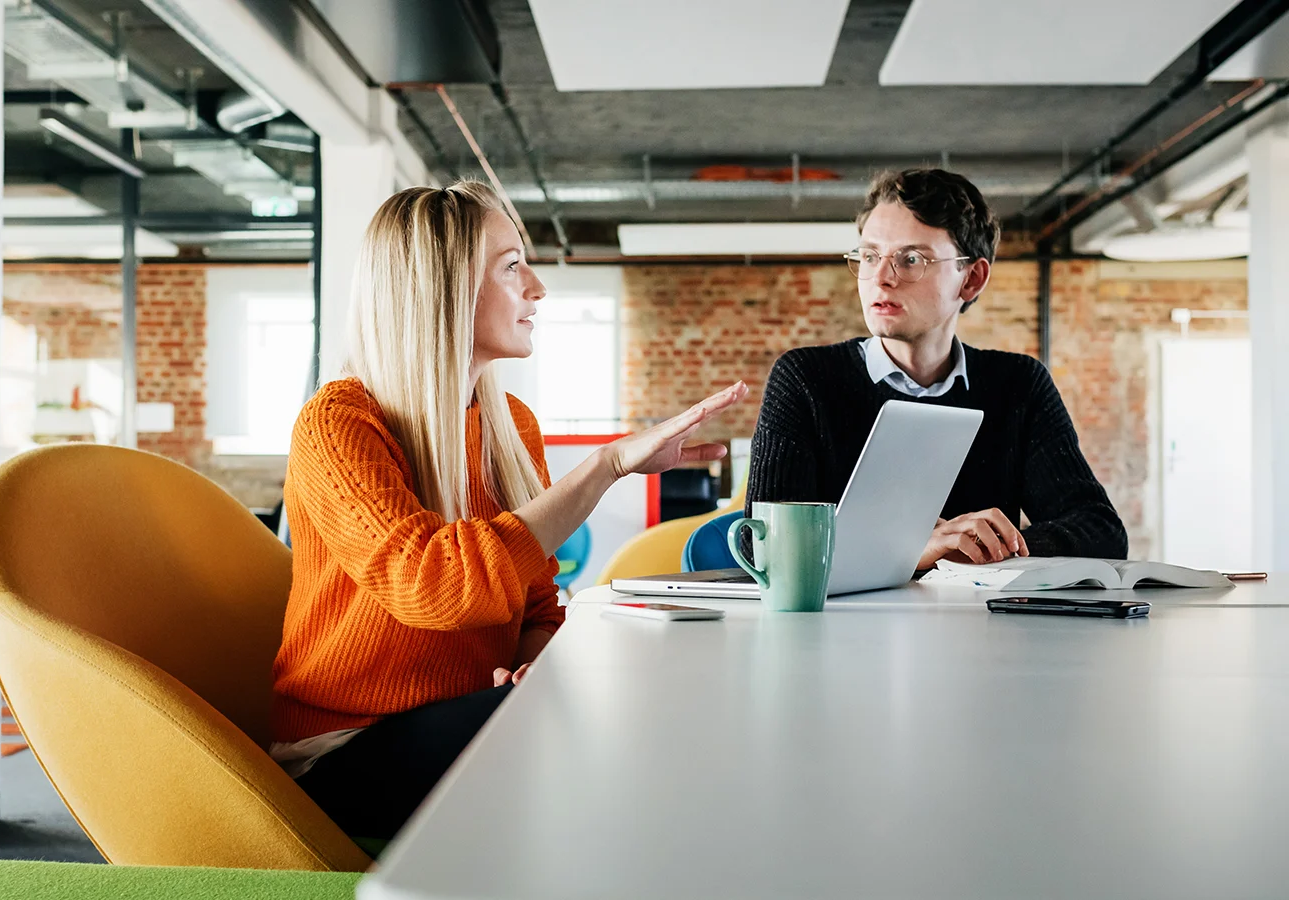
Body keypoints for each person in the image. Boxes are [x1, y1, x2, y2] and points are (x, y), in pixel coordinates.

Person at [272, 180, 748, 840]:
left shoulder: (509, 425)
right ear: (441, 289)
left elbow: (537, 605)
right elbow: (434, 587)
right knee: (612, 734)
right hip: (346, 750)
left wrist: (534, 658)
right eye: (512, 266)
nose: (537, 290)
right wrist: (606, 466)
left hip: (470, 711)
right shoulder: (337, 425)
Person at [746, 168, 1127, 569]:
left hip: (981, 627)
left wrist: (984, 546)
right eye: (871, 255)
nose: (881, 277)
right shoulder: (805, 378)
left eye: (911, 259)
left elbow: (1101, 531)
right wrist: (914, 551)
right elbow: (764, 548)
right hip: (841, 629)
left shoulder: (1018, 385)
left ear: (971, 279)